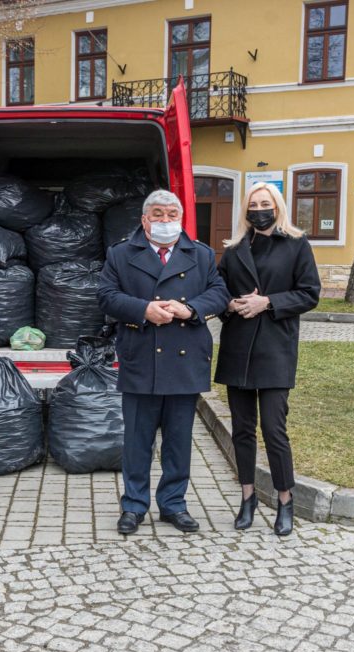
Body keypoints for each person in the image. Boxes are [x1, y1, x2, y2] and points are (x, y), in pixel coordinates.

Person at [97, 189, 229, 535]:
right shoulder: (121, 253)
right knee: (137, 440)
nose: (165, 220)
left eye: (172, 215)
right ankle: (134, 505)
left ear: (181, 219)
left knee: (178, 440)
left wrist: (191, 309)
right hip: (141, 356)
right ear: (145, 219)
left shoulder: (200, 254)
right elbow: (106, 296)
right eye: (158, 214)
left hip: (185, 359)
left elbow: (219, 292)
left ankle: (173, 504)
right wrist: (143, 309)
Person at [214, 182, 321, 536]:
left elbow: (310, 293)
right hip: (238, 348)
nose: (259, 209)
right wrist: (230, 304)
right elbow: (218, 289)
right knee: (242, 429)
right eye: (253, 204)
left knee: (274, 429)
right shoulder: (234, 249)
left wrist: (269, 302)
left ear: (277, 207)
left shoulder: (296, 244)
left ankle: (285, 499)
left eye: (265, 203)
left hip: (275, 348)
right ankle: (247, 497)